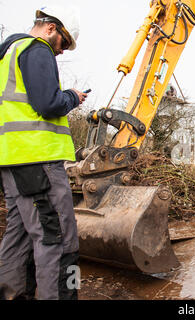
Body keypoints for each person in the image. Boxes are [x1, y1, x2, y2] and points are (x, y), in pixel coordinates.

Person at [0, 5, 86, 300]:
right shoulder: (36, 50)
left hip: (11, 161)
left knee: (20, 234)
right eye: (63, 43)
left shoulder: (6, 55)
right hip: (38, 162)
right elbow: (48, 104)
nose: (61, 51)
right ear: (51, 28)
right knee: (59, 238)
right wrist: (72, 97)